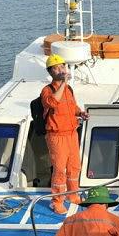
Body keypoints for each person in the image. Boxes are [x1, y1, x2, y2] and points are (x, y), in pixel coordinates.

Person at [41, 54, 89, 214]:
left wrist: (80, 113)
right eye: (58, 67)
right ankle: (57, 201)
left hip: (71, 133)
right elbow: (52, 102)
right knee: (60, 170)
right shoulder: (47, 90)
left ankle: (72, 195)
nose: (62, 69)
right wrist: (63, 83)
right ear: (51, 71)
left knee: (74, 166)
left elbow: (72, 106)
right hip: (57, 136)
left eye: (63, 66)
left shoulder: (68, 89)